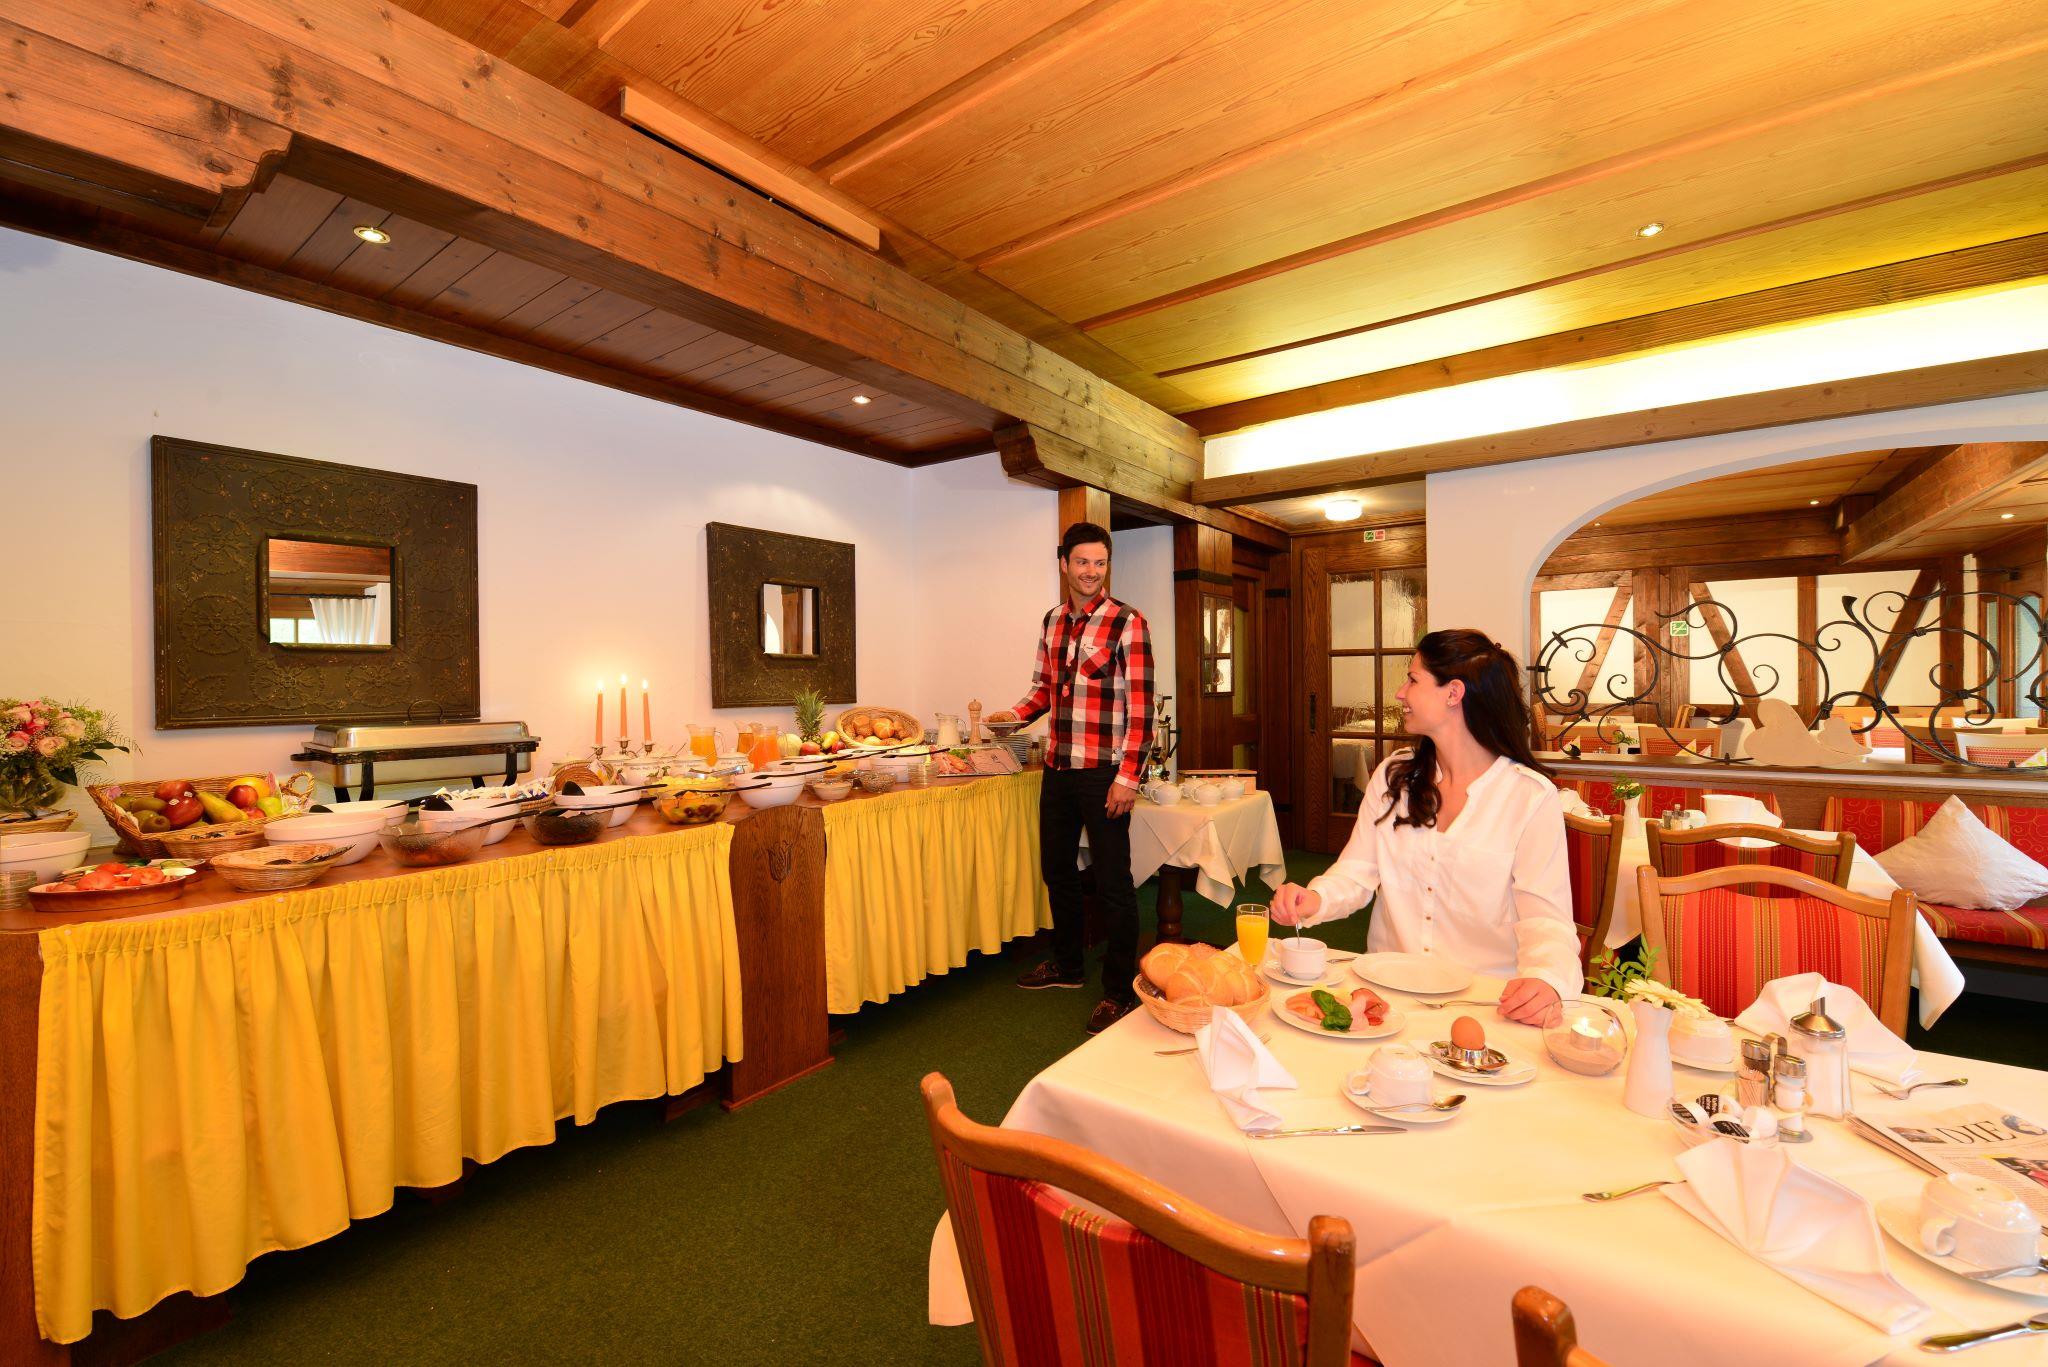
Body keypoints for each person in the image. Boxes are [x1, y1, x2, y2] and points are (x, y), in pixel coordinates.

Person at [1271, 629, 1581, 1023]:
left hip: (1483, 1005)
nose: (1400, 693)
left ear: (1453, 693)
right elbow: (1357, 871)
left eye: (1413, 680)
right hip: (1386, 998)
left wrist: (1547, 979)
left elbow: (1546, 921)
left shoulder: (1529, 797)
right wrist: (1315, 899)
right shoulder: (1394, 777)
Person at [993, 521, 1154, 1034]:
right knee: (1057, 871)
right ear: (1064, 564)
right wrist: (1011, 717)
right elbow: (1043, 688)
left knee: (1113, 883)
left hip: (1104, 773)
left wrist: (1128, 778)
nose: (1091, 571)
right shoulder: (1053, 620)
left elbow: (1142, 709)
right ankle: (1067, 965)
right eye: (1082, 562)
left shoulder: (1128, 622)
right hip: (1058, 769)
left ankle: (1118, 991)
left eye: (1099, 563)